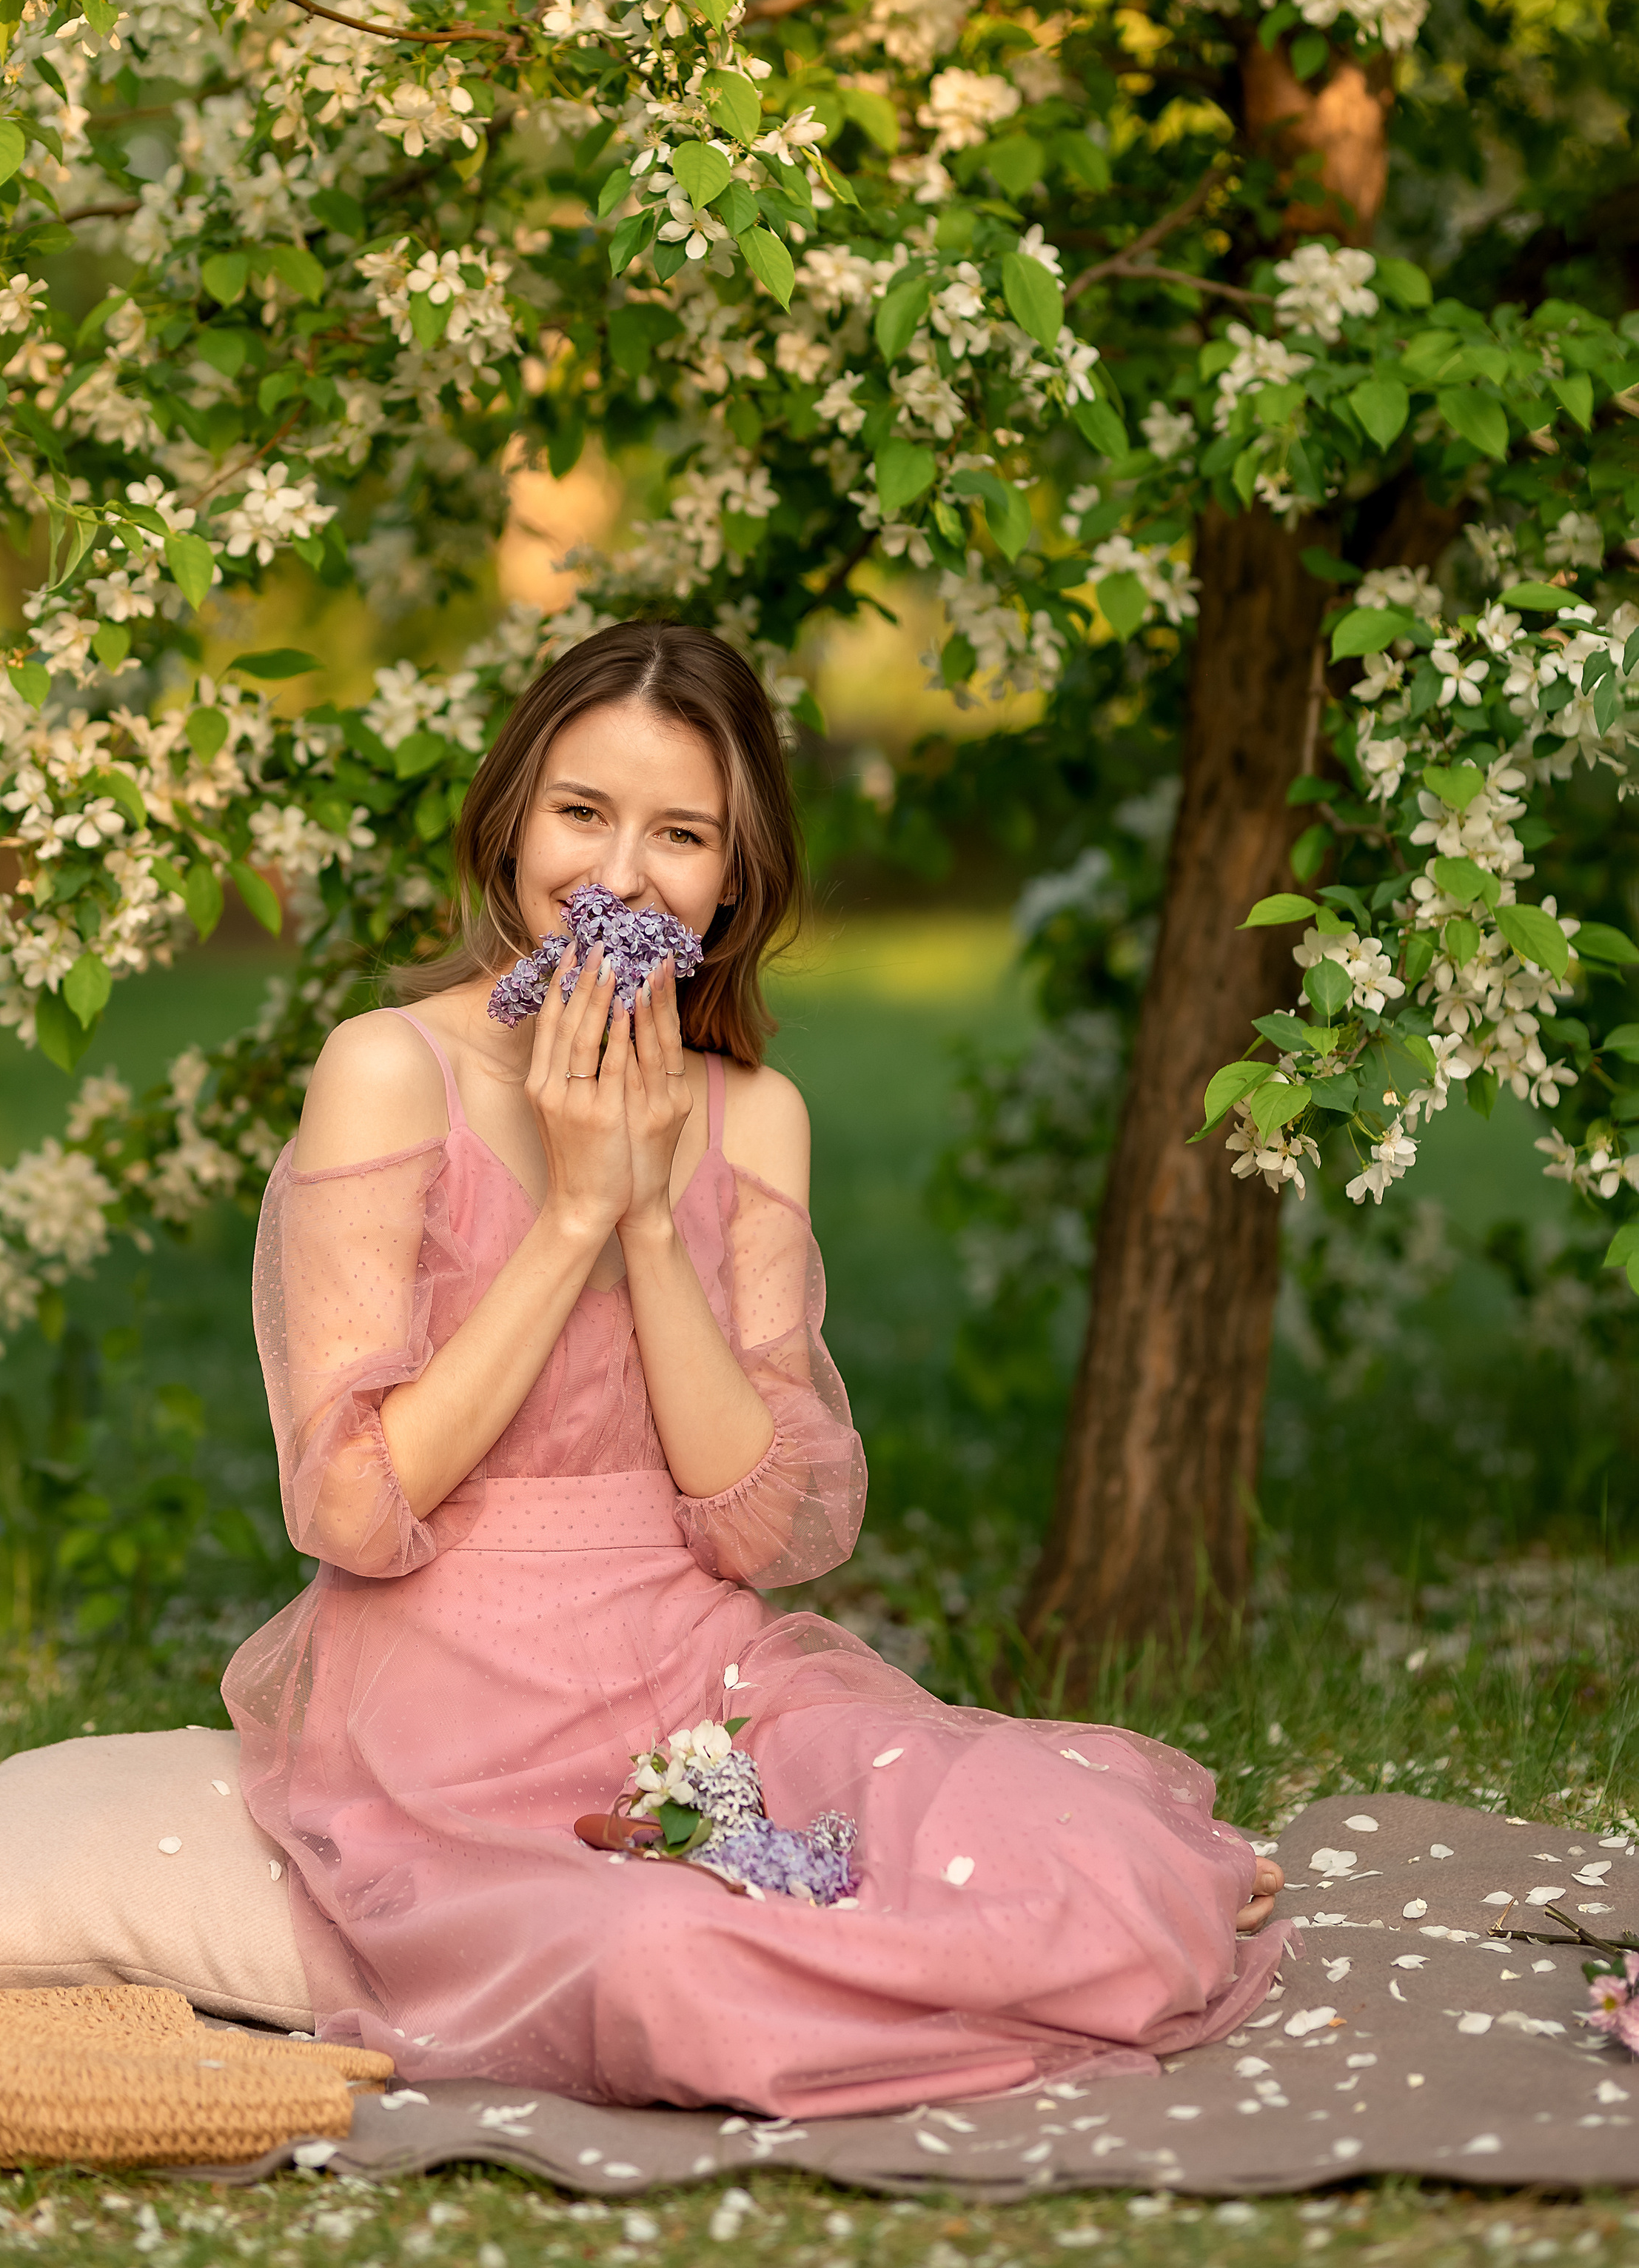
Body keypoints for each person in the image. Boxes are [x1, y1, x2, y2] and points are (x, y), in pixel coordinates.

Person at [223, 620, 1285, 2118]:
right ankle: (915, 1978)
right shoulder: (389, 1067)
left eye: (679, 834)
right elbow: (349, 1506)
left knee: (1080, 1854)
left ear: (733, 879)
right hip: (445, 1709)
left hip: (698, 1669)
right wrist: (572, 1211)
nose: (618, 874)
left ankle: (995, 1937)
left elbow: (760, 1527)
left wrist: (650, 1218)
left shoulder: (756, 1115)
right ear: (510, 816)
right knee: (672, 1964)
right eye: (581, 812)